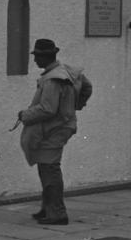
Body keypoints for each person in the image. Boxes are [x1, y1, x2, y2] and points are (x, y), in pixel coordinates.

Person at [17, 38, 90, 225]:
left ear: (44, 57)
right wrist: (75, 106)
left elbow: (47, 109)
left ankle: (57, 213)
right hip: (61, 126)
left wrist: (25, 115)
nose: (34, 61)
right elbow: (87, 87)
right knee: (46, 167)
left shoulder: (52, 80)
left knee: (49, 170)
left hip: (54, 129)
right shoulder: (67, 71)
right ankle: (47, 209)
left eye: (37, 57)